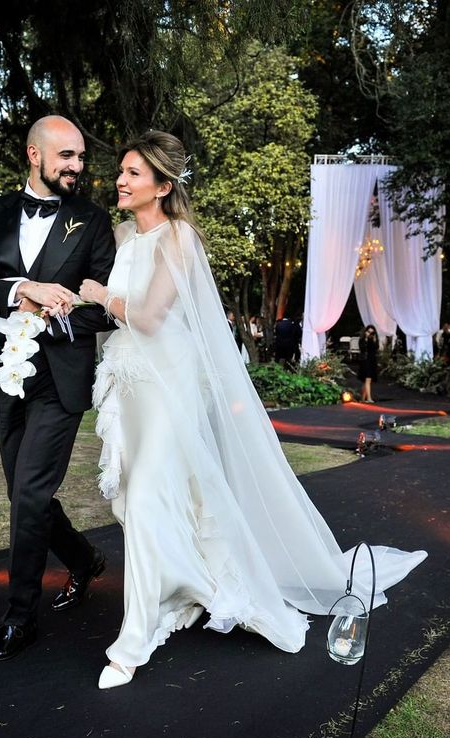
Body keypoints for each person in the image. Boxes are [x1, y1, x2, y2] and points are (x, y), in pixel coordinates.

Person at [78, 131, 427, 689]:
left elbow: (147, 317)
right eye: (121, 170)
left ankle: (132, 644)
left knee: (145, 500)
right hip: (130, 386)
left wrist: (99, 294)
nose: (120, 180)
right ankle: (187, 586)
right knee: (144, 500)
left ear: (163, 186)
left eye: (133, 173)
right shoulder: (121, 235)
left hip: (169, 383)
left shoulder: (179, 237)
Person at [0, 115, 117, 663]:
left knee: (29, 494)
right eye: (66, 156)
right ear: (35, 155)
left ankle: (18, 618)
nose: (77, 165)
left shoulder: (92, 221)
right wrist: (23, 289)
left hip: (61, 377)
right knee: (23, 495)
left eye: (81, 157)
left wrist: (59, 312)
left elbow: (107, 306)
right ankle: (84, 560)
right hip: (9, 370)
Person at [358, 324, 379, 402]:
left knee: (367, 381)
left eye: (372, 332)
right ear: (365, 332)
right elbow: (362, 348)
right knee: (368, 379)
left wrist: (374, 340)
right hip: (365, 361)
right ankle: (369, 398)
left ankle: (363, 398)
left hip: (372, 361)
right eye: (368, 332)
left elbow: (376, 348)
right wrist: (366, 339)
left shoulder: (373, 340)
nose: (370, 334)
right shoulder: (362, 340)